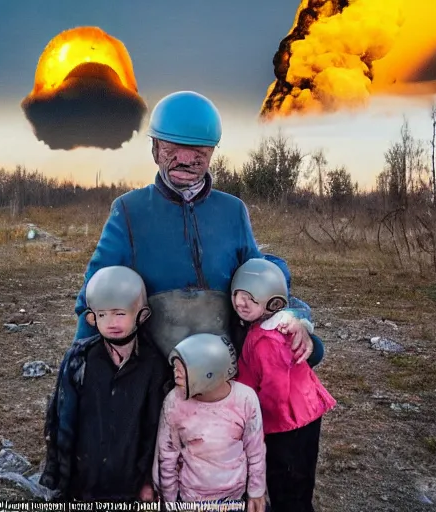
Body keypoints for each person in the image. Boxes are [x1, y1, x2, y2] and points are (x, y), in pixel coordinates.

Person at [73, 90, 323, 364]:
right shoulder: (129, 210)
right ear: (154, 149)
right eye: (171, 148)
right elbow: (96, 292)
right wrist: (81, 360)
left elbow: (262, 282)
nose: (184, 159)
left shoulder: (233, 211)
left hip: (225, 366)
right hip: (153, 366)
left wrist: (295, 320)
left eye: (197, 151)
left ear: (212, 151)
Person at [39, 266, 170, 501]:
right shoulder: (79, 358)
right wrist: (60, 475)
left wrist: (148, 481)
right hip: (85, 476)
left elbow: (154, 428)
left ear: (142, 314)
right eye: (102, 315)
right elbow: (62, 419)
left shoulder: (153, 365)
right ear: (92, 318)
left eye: (120, 313)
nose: (110, 322)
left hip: (127, 480)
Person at [232, 259, 337, 512]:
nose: (241, 303)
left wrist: (257, 423)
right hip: (295, 415)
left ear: (273, 302)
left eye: (251, 298)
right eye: (237, 294)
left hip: (289, 422)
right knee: (291, 480)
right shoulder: (263, 327)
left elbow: (276, 392)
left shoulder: (267, 340)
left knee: (289, 484)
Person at [153, 333, 266, 512]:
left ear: (209, 371)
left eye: (182, 369)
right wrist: (169, 501)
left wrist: (256, 491)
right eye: (175, 367)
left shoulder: (245, 398)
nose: (175, 374)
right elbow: (167, 454)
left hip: (234, 498)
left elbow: (256, 449)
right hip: (190, 499)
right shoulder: (174, 401)